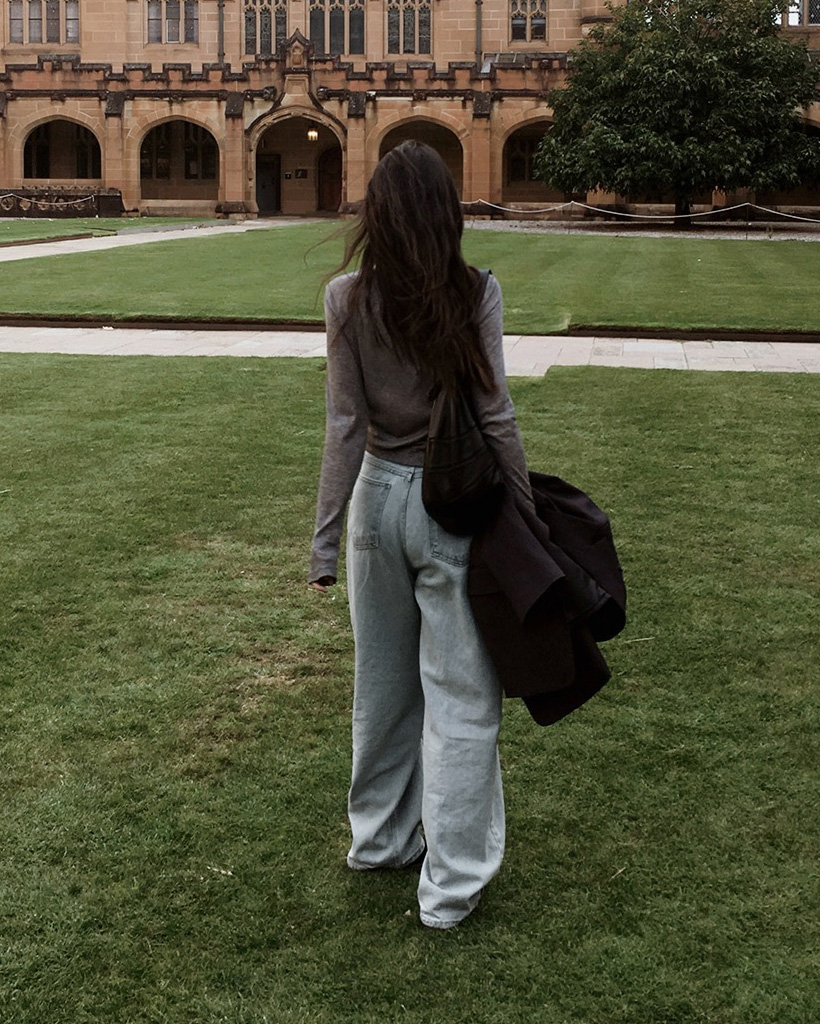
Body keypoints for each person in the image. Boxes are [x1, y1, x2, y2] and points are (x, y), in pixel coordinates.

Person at [308, 140, 534, 930]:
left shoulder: (345, 297)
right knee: (462, 696)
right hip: (452, 505)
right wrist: (528, 516)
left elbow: (344, 428)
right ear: (446, 213)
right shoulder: (474, 291)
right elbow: (496, 413)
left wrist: (324, 542)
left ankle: (379, 840)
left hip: (376, 503)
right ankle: (450, 886)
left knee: (383, 687)